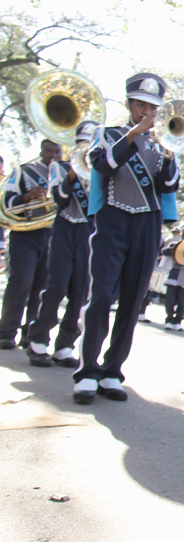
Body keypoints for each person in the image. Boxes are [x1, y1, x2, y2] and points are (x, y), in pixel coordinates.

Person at [73, 73, 180, 404]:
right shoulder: (108, 135)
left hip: (147, 223)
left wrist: (169, 153)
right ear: (129, 105)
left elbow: (169, 186)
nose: (146, 111)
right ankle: (87, 371)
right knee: (101, 296)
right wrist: (135, 134)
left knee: (133, 301)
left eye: (152, 107)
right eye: (140, 105)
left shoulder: (163, 143)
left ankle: (112, 371)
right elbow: (102, 165)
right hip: (112, 219)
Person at [26, 123, 95, 367]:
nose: (86, 150)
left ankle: (65, 345)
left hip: (88, 232)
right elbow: (60, 199)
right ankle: (38, 339)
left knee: (80, 291)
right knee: (56, 286)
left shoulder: (102, 171)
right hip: (65, 228)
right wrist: (75, 171)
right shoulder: (59, 167)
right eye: (82, 144)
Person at [0, 139, 59, 352]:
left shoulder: (65, 174)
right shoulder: (24, 171)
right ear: (41, 150)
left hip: (52, 236)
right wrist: (27, 196)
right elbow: (6, 201)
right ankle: (6, 332)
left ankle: (31, 334)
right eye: (49, 150)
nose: (53, 154)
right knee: (21, 281)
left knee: (42, 288)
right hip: (25, 234)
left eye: (57, 151)